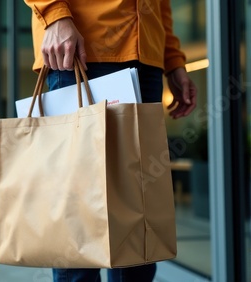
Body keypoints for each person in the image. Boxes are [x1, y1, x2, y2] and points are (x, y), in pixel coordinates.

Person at [23, 1, 197, 281]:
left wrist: (173, 59)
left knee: (140, 214)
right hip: (83, 47)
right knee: (78, 215)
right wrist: (54, 15)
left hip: (147, 58)